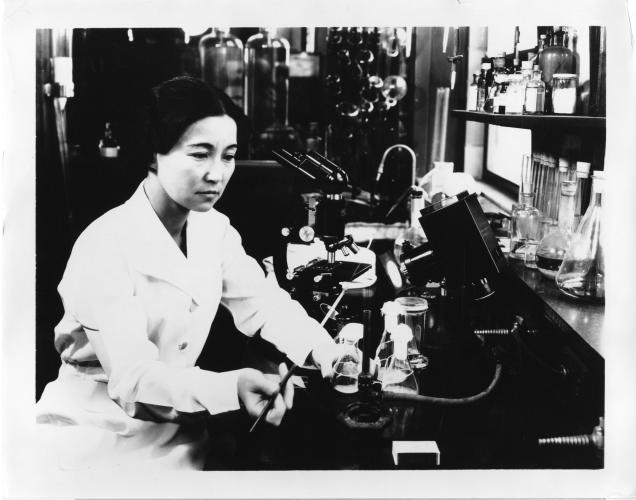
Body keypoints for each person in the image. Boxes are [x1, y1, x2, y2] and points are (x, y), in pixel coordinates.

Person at [35, 76, 341, 471]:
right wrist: (231, 387)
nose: (218, 173)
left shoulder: (213, 228)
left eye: (228, 155)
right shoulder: (104, 247)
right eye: (200, 154)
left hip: (182, 430)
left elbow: (264, 306)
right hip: (96, 441)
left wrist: (327, 351)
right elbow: (132, 382)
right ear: (152, 155)